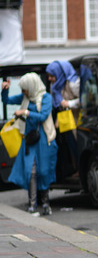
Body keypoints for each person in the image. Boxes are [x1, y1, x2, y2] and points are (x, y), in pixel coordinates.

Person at [1, 73, 57, 216]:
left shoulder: (46, 98)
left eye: (25, 89)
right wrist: (5, 89)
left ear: (32, 87)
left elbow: (43, 116)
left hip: (44, 140)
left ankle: (45, 203)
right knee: (30, 172)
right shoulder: (25, 97)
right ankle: (32, 204)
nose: (23, 92)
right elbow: (6, 101)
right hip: (30, 141)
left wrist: (26, 112)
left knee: (44, 172)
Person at [46, 60, 80, 176]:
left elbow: (85, 99)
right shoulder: (55, 87)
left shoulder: (73, 83)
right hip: (64, 120)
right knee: (70, 146)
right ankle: (77, 169)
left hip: (76, 120)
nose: (50, 79)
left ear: (59, 73)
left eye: (52, 75)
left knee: (77, 145)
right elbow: (56, 104)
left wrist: (69, 104)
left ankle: (81, 170)